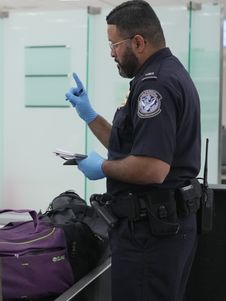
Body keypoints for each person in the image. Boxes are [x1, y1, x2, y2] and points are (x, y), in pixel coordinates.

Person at [65, 1, 201, 301]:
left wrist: (101, 168)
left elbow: (152, 168)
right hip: (160, 230)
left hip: (151, 237)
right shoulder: (164, 73)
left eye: (114, 45)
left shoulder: (157, 86)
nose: (112, 53)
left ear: (138, 42)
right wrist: (89, 115)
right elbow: (130, 147)